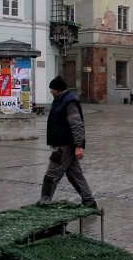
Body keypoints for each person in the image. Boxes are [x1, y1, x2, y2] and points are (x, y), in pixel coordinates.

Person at [38, 76, 97, 207]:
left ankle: (44, 203)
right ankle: (89, 201)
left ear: (57, 90)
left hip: (64, 147)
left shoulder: (68, 102)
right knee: (75, 175)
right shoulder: (60, 100)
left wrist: (78, 146)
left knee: (51, 175)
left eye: (51, 89)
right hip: (64, 145)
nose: (50, 91)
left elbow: (77, 125)